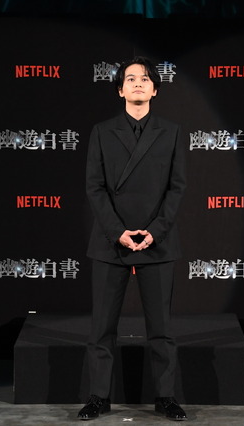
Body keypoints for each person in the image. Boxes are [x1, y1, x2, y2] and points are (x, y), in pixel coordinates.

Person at [78, 56, 187, 421]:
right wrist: (117, 231)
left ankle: (166, 397)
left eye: (145, 79)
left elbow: (177, 188)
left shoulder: (172, 131)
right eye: (130, 78)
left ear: (155, 90)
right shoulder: (101, 131)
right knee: (102, 329)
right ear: (120, 89)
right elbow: (94, 187)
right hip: (111, 241)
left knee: (162, 329)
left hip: (158, 241)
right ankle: (98, 397)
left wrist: (155, 231)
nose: (138, 83)